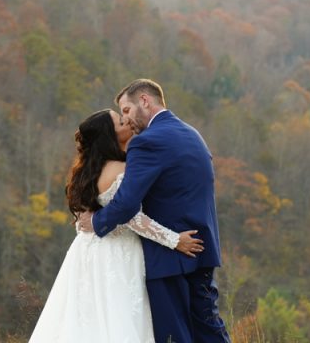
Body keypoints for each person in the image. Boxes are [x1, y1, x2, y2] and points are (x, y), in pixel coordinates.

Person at [29, 109, 205, 342]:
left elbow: (83, 222)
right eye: (120, 122)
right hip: (117, 254)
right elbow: (131, 216)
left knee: (86, 321)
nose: (127, 122)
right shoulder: (122, 169)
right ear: (110, 136)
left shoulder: (85, 171)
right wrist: (175, 240)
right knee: (118, 319)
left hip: (86, 252)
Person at [79, 79, 230, 343]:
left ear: (145, 101)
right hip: (202, 249)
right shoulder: (191, 134)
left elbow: (126, 204)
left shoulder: (146, 142)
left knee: (175, 336)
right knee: (209, 330)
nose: (126, 120)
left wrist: (97, 221)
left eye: (126, 110)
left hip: (170, 258)